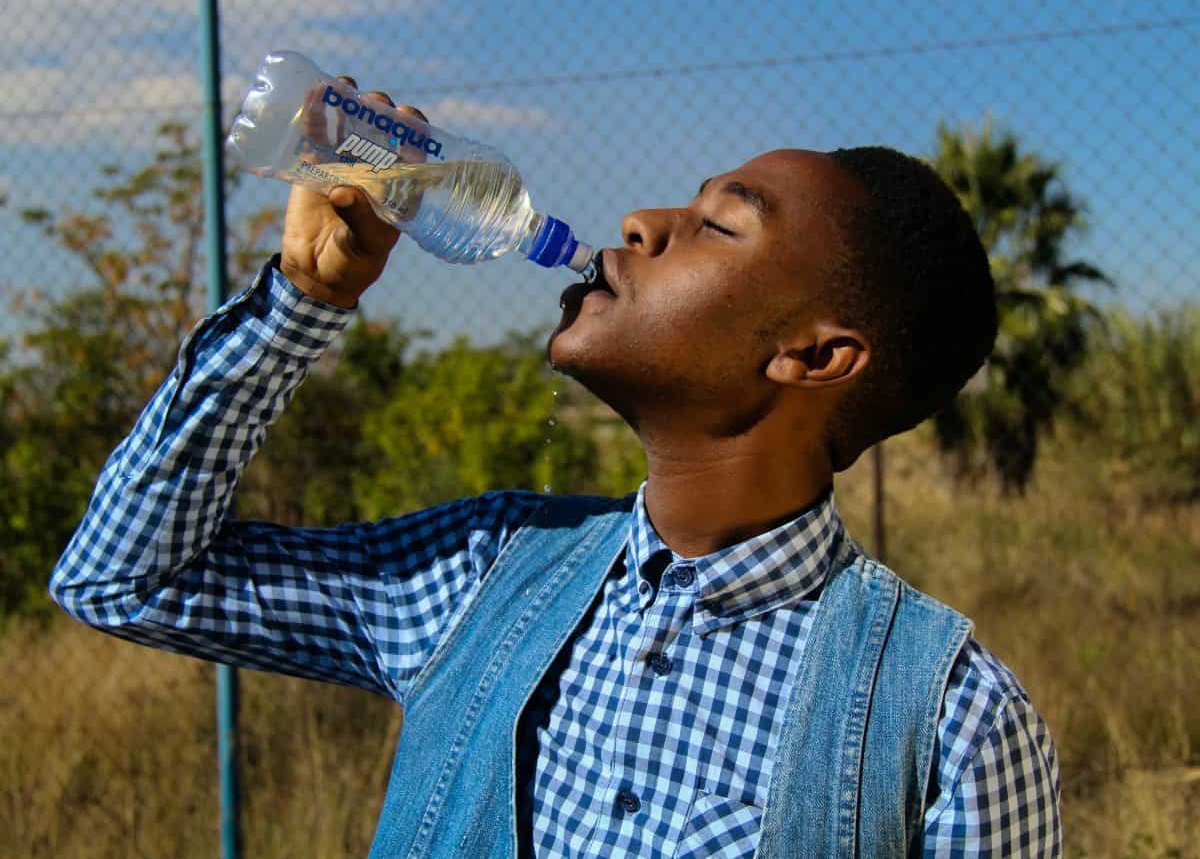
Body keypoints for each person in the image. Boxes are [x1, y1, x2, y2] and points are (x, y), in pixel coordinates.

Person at [50, 79, 1062, 858]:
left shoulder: (951, 721)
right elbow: (124, 579)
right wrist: (302, 306)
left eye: (717, 224)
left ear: (812, 357)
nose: (642, 224)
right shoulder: (487, 570)